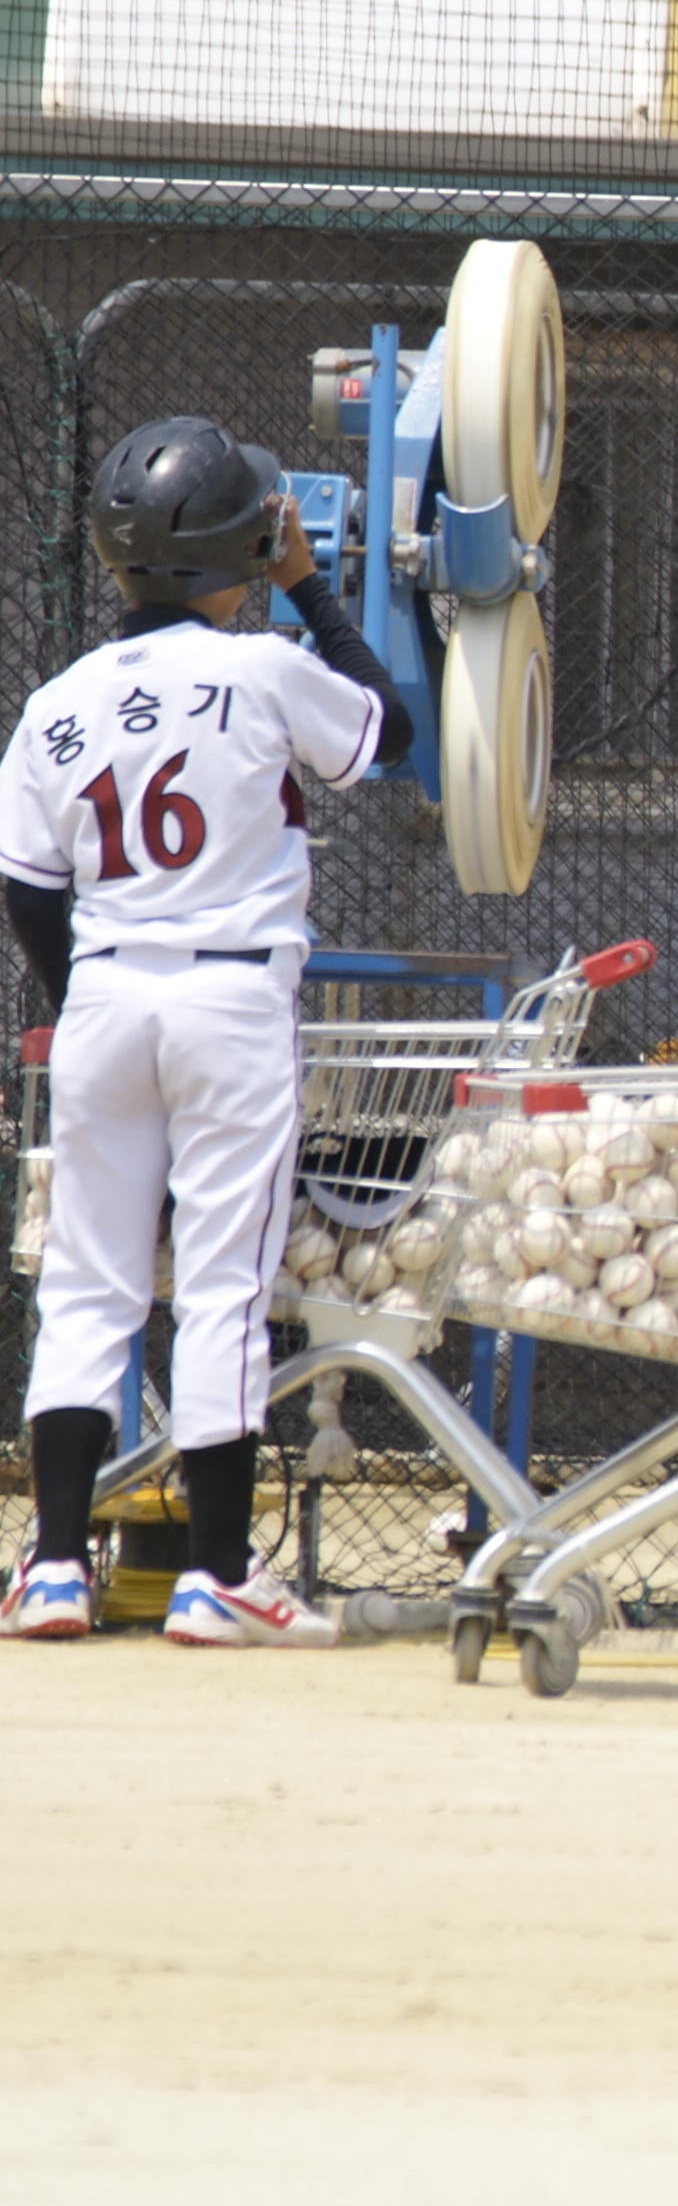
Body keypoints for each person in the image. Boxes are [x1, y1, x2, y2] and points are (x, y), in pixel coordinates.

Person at [4, 418, 417, 1643]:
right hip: (231, 1002)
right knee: (223, 1286)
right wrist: (310, 586)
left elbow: (28, 888)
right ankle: (221, 1575)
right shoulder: (263, 667)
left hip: (103, 997)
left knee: (89, 1283)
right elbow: (385, 730)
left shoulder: (55, 705)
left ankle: (54, 1567)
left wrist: (82, 990)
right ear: (242, 544)